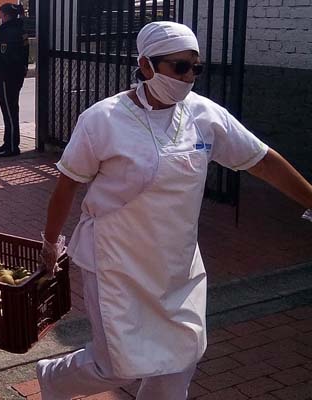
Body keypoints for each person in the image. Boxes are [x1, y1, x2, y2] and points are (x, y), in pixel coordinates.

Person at [35, 21, 312, 399]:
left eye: (195, 68)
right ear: (146, 66)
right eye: (179, 67)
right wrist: (51, 242)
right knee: (118, 364)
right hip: (116, 262)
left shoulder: (204, 115)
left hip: (177, 266)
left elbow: (261, 160)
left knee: (181, 356)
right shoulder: (102, 119)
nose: (188, 78)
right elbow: (67, 184)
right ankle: (54, 378)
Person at [0, 3, 28, 157]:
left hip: (7, 77)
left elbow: (6, 55)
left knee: (10, 111)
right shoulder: (16, 30)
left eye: (0, 15)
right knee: (9, 111)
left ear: (5, 15)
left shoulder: (9, 32)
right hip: (12, 76)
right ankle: (8, 142)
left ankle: (12, 147)